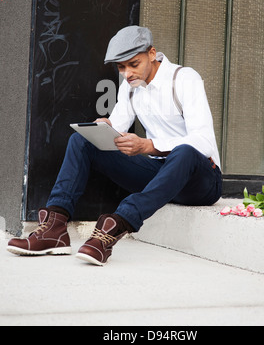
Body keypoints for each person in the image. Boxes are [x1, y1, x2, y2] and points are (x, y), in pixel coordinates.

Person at [7, 26, 222, 266]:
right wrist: (106, 128)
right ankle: (55, 227)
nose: (127, 73)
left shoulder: (184, 78)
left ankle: (115, 227)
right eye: (121, 67)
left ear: (152, 53)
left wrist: (148, 145)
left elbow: (203, 143)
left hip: (201, 180)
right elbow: (119, 128)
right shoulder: (130, 86)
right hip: (158, 173)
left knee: (185, 152)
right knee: (82, 140)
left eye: (133, 64)